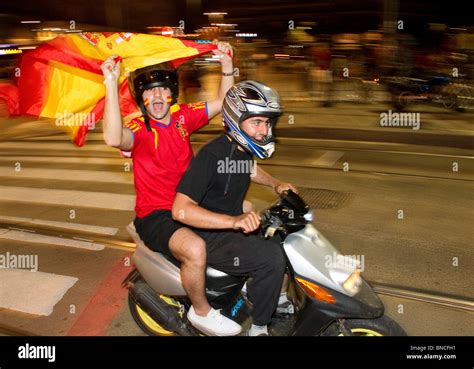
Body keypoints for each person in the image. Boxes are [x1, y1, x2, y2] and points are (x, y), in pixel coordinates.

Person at [100, 42, 243, 336]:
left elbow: (222, 103)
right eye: (148, 91)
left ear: (171, 94)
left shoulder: (182, 119)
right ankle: (201, 312)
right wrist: (111, 84)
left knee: (246, 213)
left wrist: (227, 65)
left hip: (189, 204)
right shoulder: (139, 130)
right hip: (156, 215)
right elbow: (114, 137)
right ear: (142, 99)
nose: (156, 96)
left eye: (162, 89)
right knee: (194, 248)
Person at [172, 80, 298, 336]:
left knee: (282, 236)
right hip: (211, 234)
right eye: (257, 122)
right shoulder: (212, 156)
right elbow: (181, 209)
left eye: (267, 122)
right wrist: (234, 222)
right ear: (234, 119)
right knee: (270, 258)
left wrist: (276, 184)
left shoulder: (240, 150)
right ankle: (260, 326)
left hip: (232, 225)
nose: (264, 130)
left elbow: (249, 170)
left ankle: (274, 294)